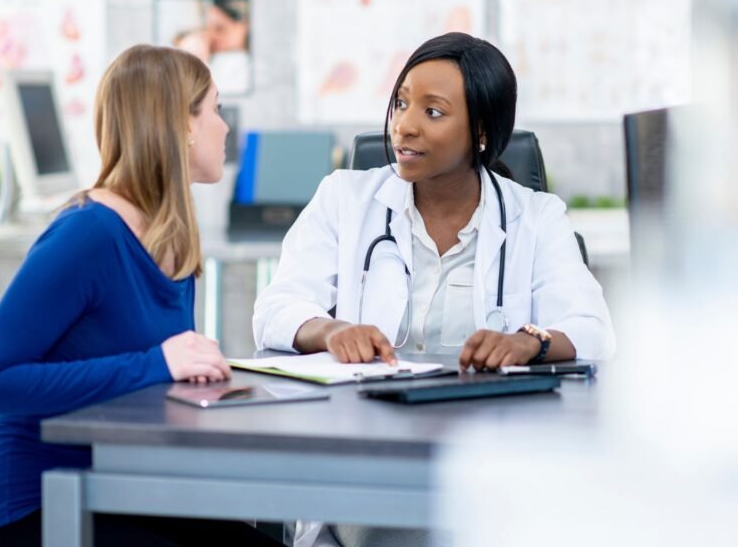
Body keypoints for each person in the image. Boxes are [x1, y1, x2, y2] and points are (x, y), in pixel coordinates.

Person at [254, 30, 615, 546]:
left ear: (483, 132)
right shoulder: (346, 199)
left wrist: (528, 341)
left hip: (486, 460)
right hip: (365, 460)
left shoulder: (535, 217)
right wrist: (330, 330)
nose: (404, 126)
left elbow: (593, 329)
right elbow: (275, 308)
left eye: (434, 112)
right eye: (401, 103)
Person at [0, 45, 282, 547]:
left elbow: (149, 370)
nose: (226, 128)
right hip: (36, 508)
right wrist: (157, 363)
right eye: (216, 110)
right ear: (181, 124)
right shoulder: (88, 234)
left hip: (124, 485)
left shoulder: (171, 233)